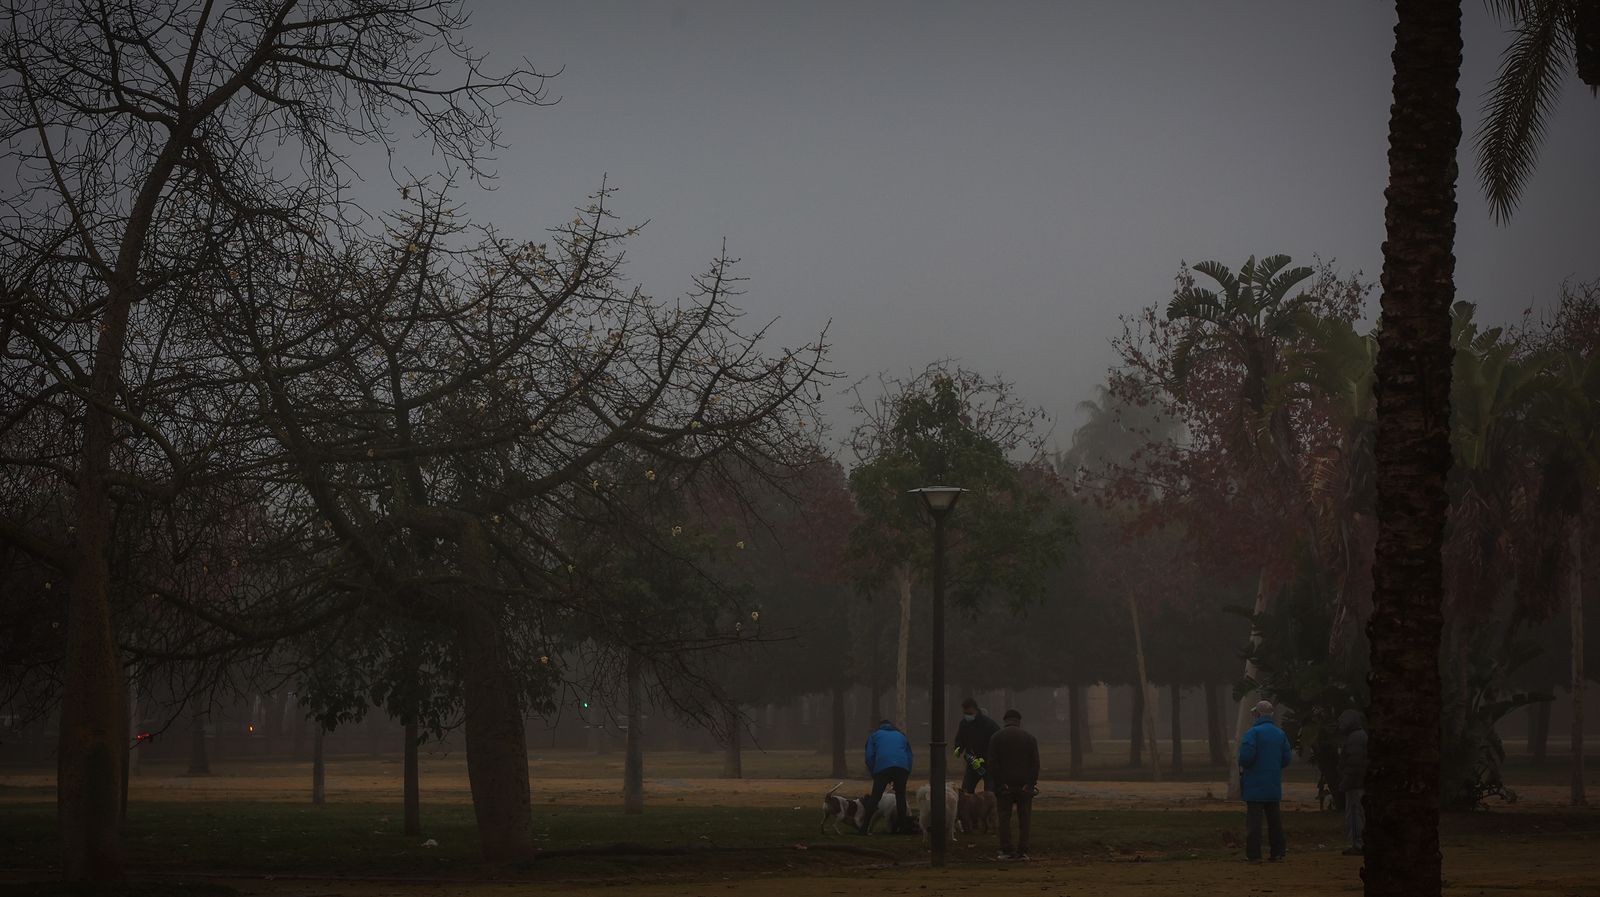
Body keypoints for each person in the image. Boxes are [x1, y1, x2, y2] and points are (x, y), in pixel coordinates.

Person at [1238, 699, 1293, 864]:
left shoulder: (1253, 733)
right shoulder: (1280, 734)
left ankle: (1254, 855)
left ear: (1257, 714)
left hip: (1254, 785)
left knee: (1254, 823)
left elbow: (1246, 758)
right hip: (1273, 785)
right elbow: (1286, 758)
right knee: (1275, 822)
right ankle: (1277, 852)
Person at [986, 708, 1040, 860]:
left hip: (1005, 787)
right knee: (1024, 819)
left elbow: (992, 764)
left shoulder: (996, 738)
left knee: (1004, 818)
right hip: (1024, 787)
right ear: (1019, 721)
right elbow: (1035, 764)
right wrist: (1030, 784)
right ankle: (1023, 850)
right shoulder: (1029, 738)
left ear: (1005, 721)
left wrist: (1000, 783)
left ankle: (1007, 850)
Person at [859, 719, 913, 834]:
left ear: (879, 727)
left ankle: (864, 828)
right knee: (901, 797)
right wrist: (907, 771)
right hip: (902, 767)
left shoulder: (874, 736)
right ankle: (903, 828)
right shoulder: (901, 736)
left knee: (875, 798)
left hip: (883, 767)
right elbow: (909, 755)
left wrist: (874, 772)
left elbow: (869, 756)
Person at [1337, 708, 1368, 856]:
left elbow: (1354, 764)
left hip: (1355, 783)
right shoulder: (1359, 736)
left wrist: (1345, 782)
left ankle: (1358, 844)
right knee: (1358, 813)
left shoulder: (1355, 738)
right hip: (1357, 782)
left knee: (1355, 814)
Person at [954, 697, 1000, 793]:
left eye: (970, 713)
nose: (967, 716)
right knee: (966, 790)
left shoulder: (989, 725)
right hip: (972, 762)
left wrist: (983, 759)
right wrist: (958, 748)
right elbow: (960, 739)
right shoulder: (964, 724)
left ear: (976, 710)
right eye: (965, 714)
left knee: (990, 792)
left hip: (988, 765)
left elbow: (996, 745)